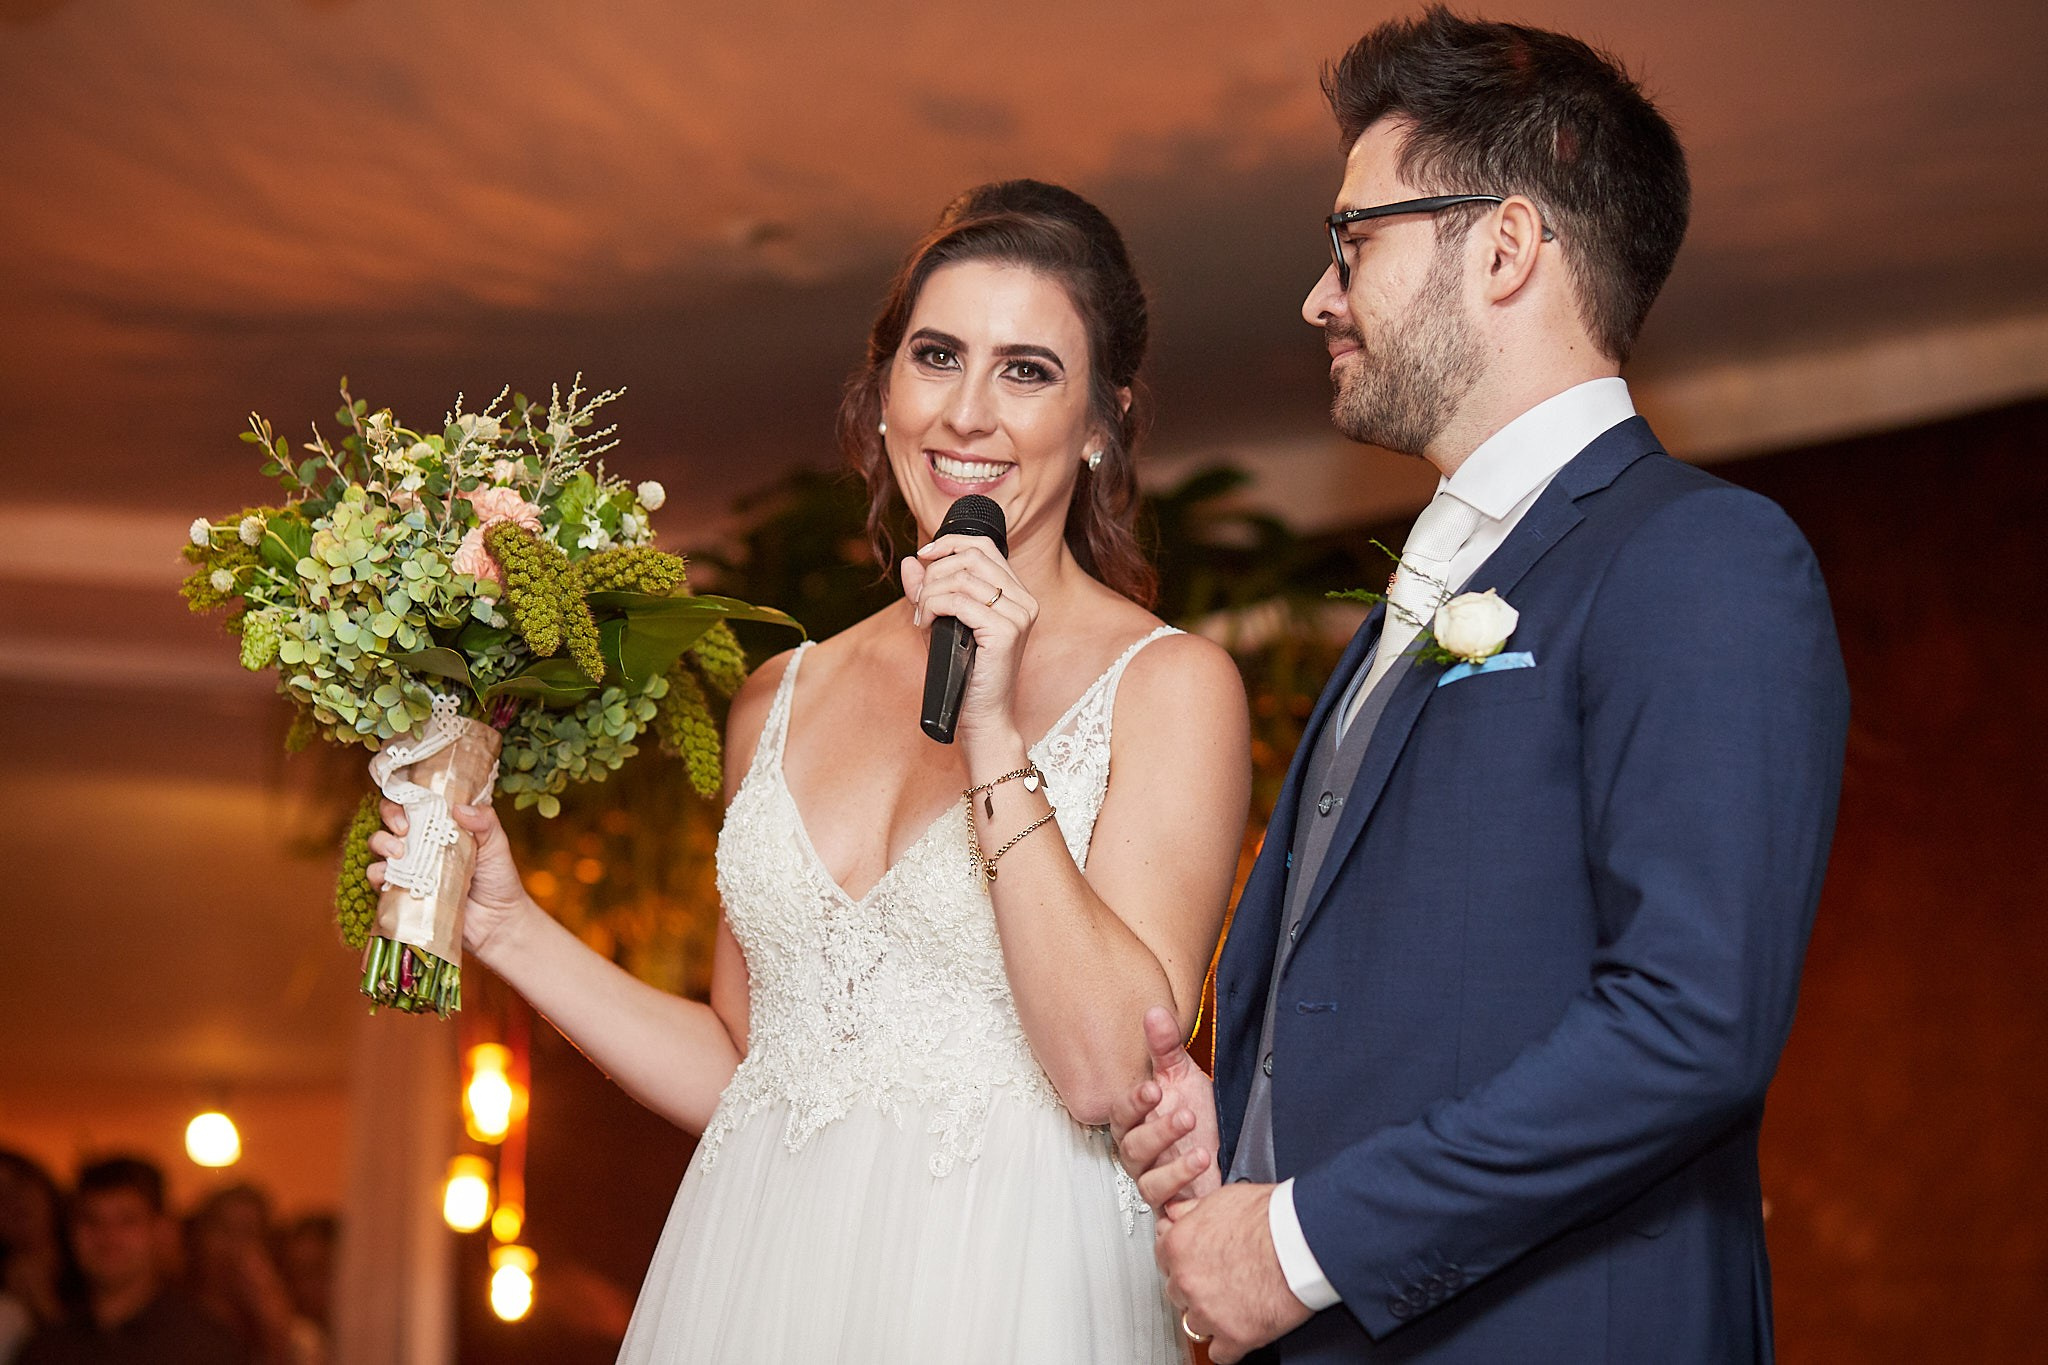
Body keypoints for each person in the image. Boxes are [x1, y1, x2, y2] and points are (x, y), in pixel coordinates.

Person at [368, 179, 1251, 1361]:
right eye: (936, 356)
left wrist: (990, 732)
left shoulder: (1170, 685)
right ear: (882, 393)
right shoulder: (778, 696)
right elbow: (750, 1066)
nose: (970, 413)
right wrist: (512, 925)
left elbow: (1105, 1071)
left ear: (1101, 420)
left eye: (1028, 370)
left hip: (1006, 1287)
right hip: (757, 1281)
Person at [1113, 10, 1850, 1363]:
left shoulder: (1698, 556)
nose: (1318, 297)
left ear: (1505, 245)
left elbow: (1690, 1028)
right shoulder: (1423, 598)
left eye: (1355, 240)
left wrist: (1295, 1243)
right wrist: (1252, 1115)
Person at [18, 1157, 245, 1365]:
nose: (107, 1236)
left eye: (127, 1221)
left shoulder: (200, 1345)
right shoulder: (48, 1347)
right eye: (91, 1220)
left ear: (160, 1231)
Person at [0, 1151, 69, 1364]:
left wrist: (45, 1306)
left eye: (21, 1185)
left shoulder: (97, 1264)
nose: (13, 1201)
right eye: (0, 1195)